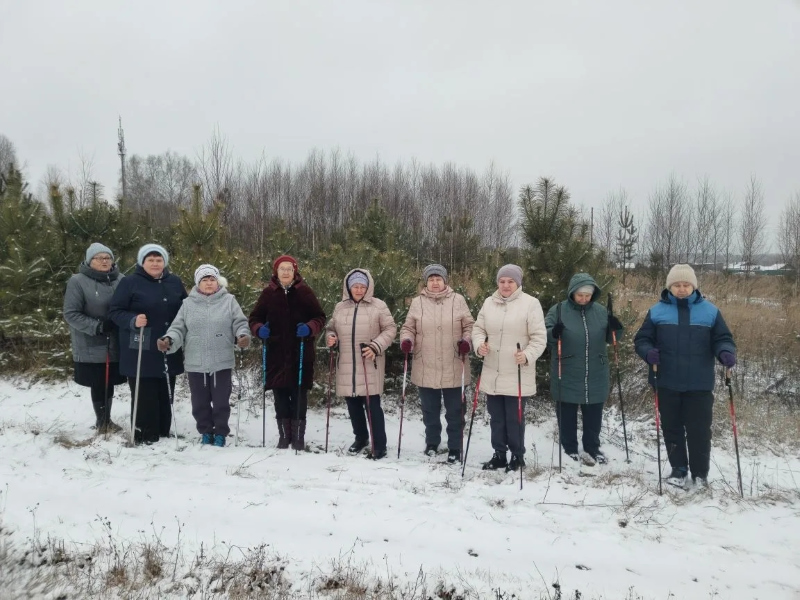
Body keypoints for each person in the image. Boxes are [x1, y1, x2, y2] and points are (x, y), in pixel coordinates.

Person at [634, 264, 736, 488]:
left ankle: (700, 474)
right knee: (672, 427)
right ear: (670, 287)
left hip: (699, 383)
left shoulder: (710, 311)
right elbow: (642, 340)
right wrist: (647, 353)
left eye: (686, 285)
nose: (681, 289)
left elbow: (722, 338)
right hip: (666, 380)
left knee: (699, 430)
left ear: (693, 286)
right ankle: (678, 469)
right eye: (677, 285)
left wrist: (725, 352)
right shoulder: (656, 311)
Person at [157, 265, 251, 447]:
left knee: (221, 400)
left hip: (221, 360)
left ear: (218, 282)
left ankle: (221, 433)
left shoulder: (229, 301)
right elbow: (178, 328)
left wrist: (243, 336)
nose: (209, 283)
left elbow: (240, 323)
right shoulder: (188, 304)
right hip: (196, 361)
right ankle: (206, 431)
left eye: (212, 279)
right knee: (199, 402)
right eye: (205, 280)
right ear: (198, 283)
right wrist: (168, 339)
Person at [108, 244, 186, 445]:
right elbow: (115, 311)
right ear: (142, 262)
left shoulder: (174, 282)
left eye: (159, 260)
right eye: (150, 260)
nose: (155, 263)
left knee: (165, 388)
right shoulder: (130, 283)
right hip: (141, 346)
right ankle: (144, 434)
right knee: (144, 392)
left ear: (165, 262)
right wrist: (133, 320)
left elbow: (187, 309)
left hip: (169, 344)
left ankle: (163, 432)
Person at [472, 264, 547, 472]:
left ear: (518, 283)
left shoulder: (530, 304)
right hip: (492, 371)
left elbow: (539, 338)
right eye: (502, 281)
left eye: (510, 281)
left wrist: (527, 355)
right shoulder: (489, 303)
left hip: (517, 372)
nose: (505, 285)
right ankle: (499, 455)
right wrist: (479, 345)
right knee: (496, 418)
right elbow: (478, 329)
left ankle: (517, 456)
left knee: (515, 418)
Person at [248, 255, 326, 450]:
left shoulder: (305, 292)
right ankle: (284, 437)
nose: (285, 272)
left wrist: (310, 327)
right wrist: (259, 329)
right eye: (282, 268)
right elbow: (254, 318)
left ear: (295, 271)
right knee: (280, 396)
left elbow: (320, 317)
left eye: (289, 269)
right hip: (276, 354)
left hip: (300, 352)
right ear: (276, 271)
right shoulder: (268, 293)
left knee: (299, 396)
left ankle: (298, 438)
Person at [545, 273, 623, 466]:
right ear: (572, 293)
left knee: (593, 412)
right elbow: (544, 335)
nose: (583, 299)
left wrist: (616, 328)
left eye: (587, 295)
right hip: (567, 368)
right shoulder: (559, 310)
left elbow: (611, 338)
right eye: (580, 295)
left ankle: (592, 447)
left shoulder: (600, 311)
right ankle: (569, 447)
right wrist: (553, 333)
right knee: (567, 412)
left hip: (596, 369)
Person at [399, 264, 474, 463]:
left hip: (454, 363)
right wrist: (407, 340)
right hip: (426, 364)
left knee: (456, 410)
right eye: (431, 279)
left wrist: (467, 341)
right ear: (426, 282)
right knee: (430, 410)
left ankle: (455, 447)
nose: (435, 282)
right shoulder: (417, 302)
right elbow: (408, 327)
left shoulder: (458, 300)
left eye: (438, 279)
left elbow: (469, 325)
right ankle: (432, 442)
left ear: (445, 281)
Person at [326, 268, 397, 460]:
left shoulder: (378, 306)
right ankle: (361, 438)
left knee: (372, 406)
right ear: (349, 288)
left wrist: (376, 346)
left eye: (362, 286)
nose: (359, 290)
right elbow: (331, 328)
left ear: (368, 287)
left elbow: (390, 329)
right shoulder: (340, 307)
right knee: (353, 405)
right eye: (355, 286)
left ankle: (379, 445)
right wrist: (331, 337)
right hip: (348, 363)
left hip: (369, 363)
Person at [63, 242, 126, 433]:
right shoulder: (78, 281)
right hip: (92, 341)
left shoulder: (121, 279)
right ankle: (102, 422)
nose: (104, 261)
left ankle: (107, 419)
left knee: (110, 381)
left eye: (107, 258)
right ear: (90, 261)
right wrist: (97, 326)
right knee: (99, 381)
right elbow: (71, 313)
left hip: (116, 340)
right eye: (99, 258)